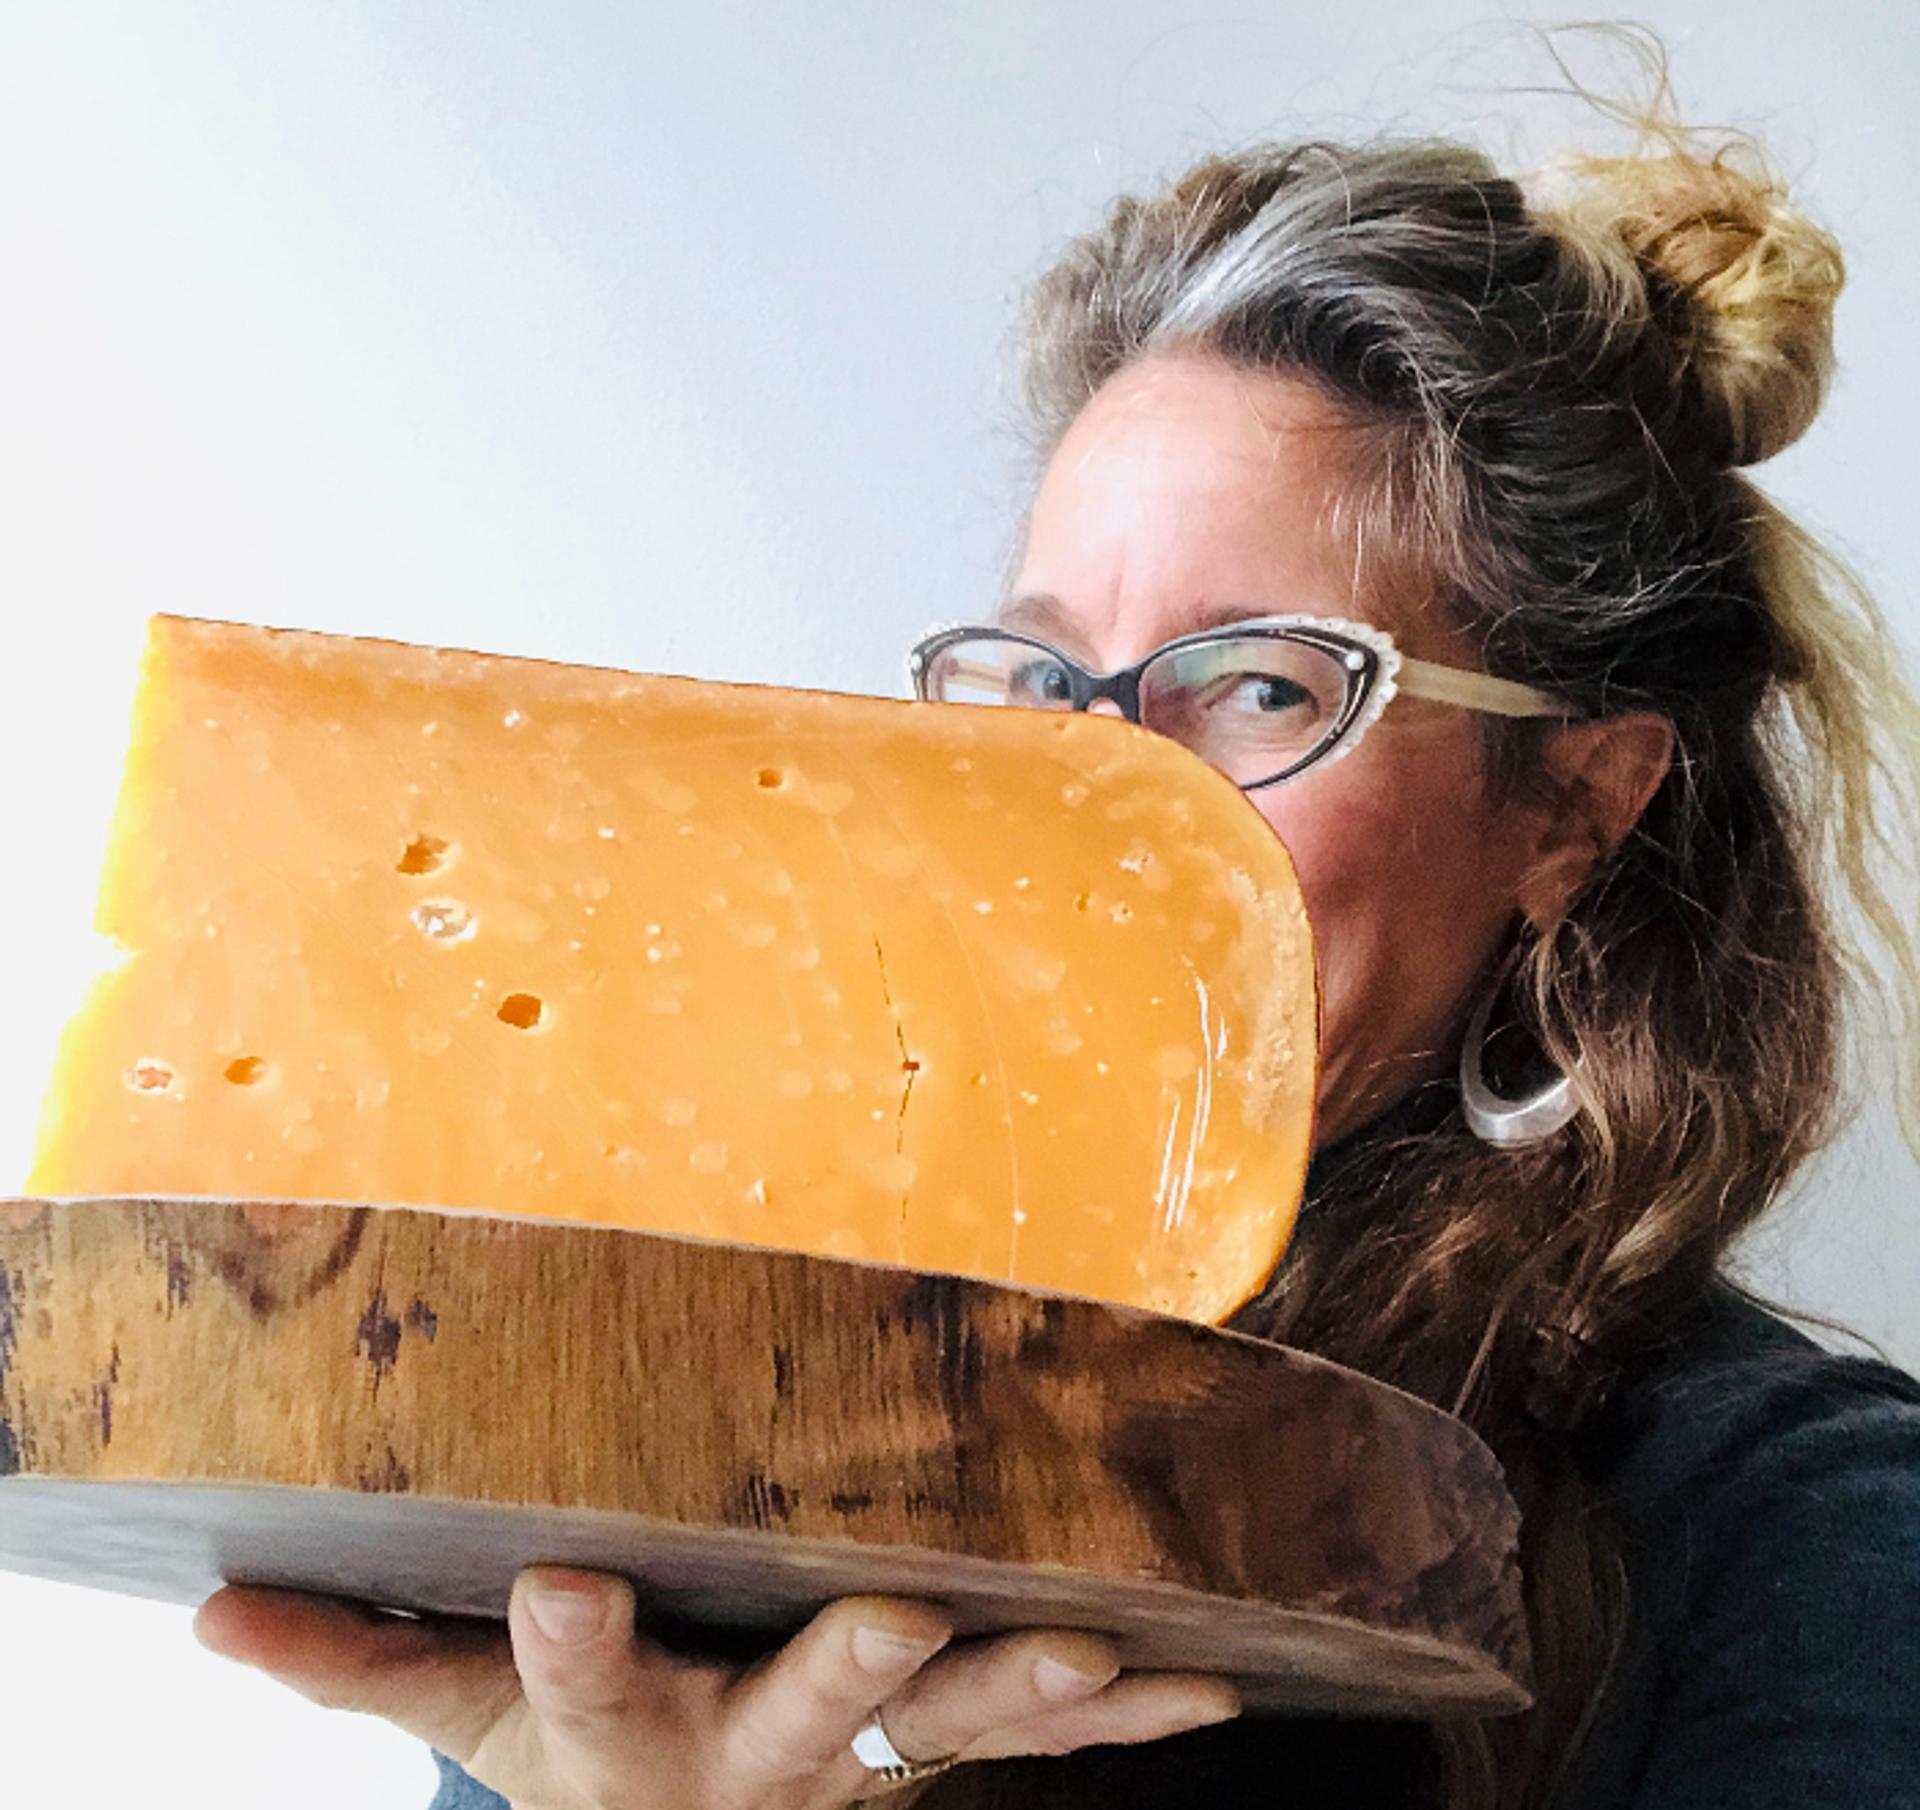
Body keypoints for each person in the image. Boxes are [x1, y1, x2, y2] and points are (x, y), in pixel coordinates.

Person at [192, 46, 1920, 1810]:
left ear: (1573, 807)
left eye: (1257, 685)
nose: (1096, 809)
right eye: (1036, 680)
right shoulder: (708, 1436)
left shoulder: (1799, 1535)